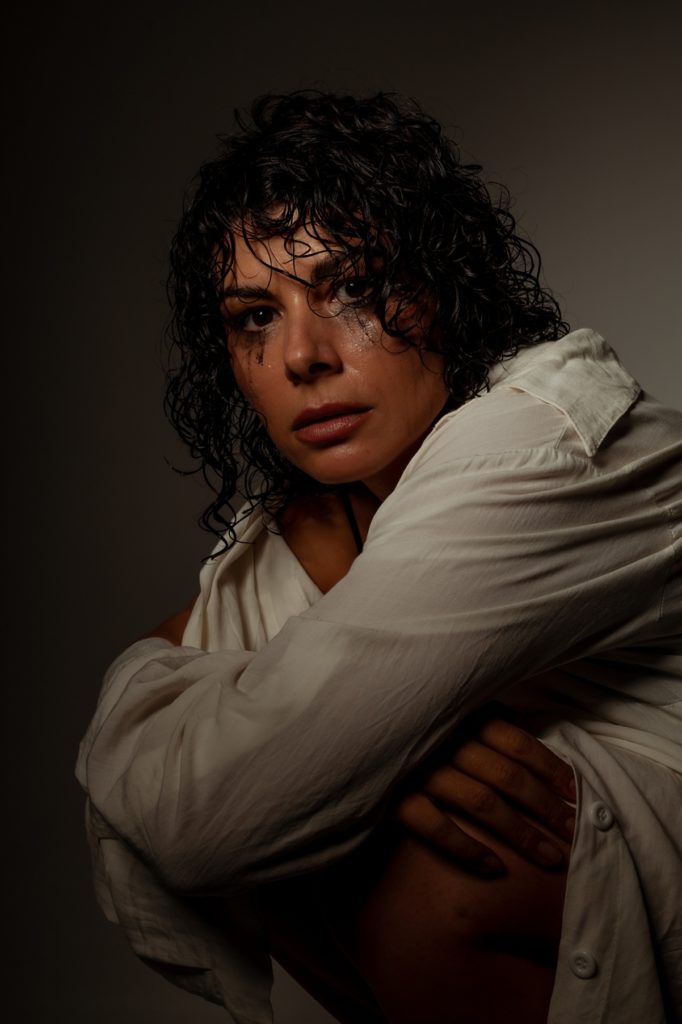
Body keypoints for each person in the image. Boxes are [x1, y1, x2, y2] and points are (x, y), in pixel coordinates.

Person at [76, 92, 682, 1024]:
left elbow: (209, 817)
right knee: (310, 843)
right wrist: (375, 747)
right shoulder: (323, 520)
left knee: (415, 859)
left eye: (353, 290)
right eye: (255, 317)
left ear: (447, 290)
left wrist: (361, 749)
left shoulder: (530, 449)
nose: (302, 356)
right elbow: (192, 782)